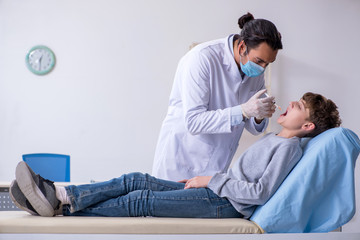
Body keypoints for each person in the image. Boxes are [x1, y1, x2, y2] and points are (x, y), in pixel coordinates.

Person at [11, 92, 341, 219]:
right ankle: (60, 194)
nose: (290, 104)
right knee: (134, 179)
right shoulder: (274, 138)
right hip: (216, 191)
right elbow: (244, 180)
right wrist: (208, 181)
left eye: (299, 107)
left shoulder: (289, 148)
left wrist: (211, 180)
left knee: (139, 199)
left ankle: (63, 210)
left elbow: (261, 192)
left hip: (225, 203)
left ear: (308, 124)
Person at [153, 12, 283, 181]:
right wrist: (243, 111)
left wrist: (258, 116)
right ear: (242, 47)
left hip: (216, 167)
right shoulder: (202, 58)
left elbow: (251, 126)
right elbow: (194, 122)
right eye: (259, 61)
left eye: (268, 63)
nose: (262, 68)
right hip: (183, 160)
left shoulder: (255, 69)